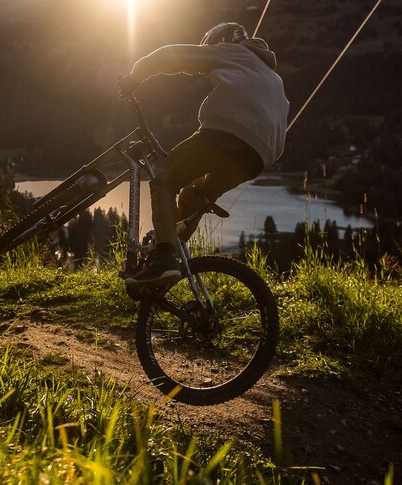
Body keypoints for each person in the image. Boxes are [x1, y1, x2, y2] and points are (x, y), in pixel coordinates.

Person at [117, 22, 289, 287]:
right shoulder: (271, 75)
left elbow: (171, 55)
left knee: (164, 180)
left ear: (222, 42)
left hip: (227, 134)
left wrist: (135, 76)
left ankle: (163, 259)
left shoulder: (233, 52)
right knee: (194, 196)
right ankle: (169, 253)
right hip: (259, 156)